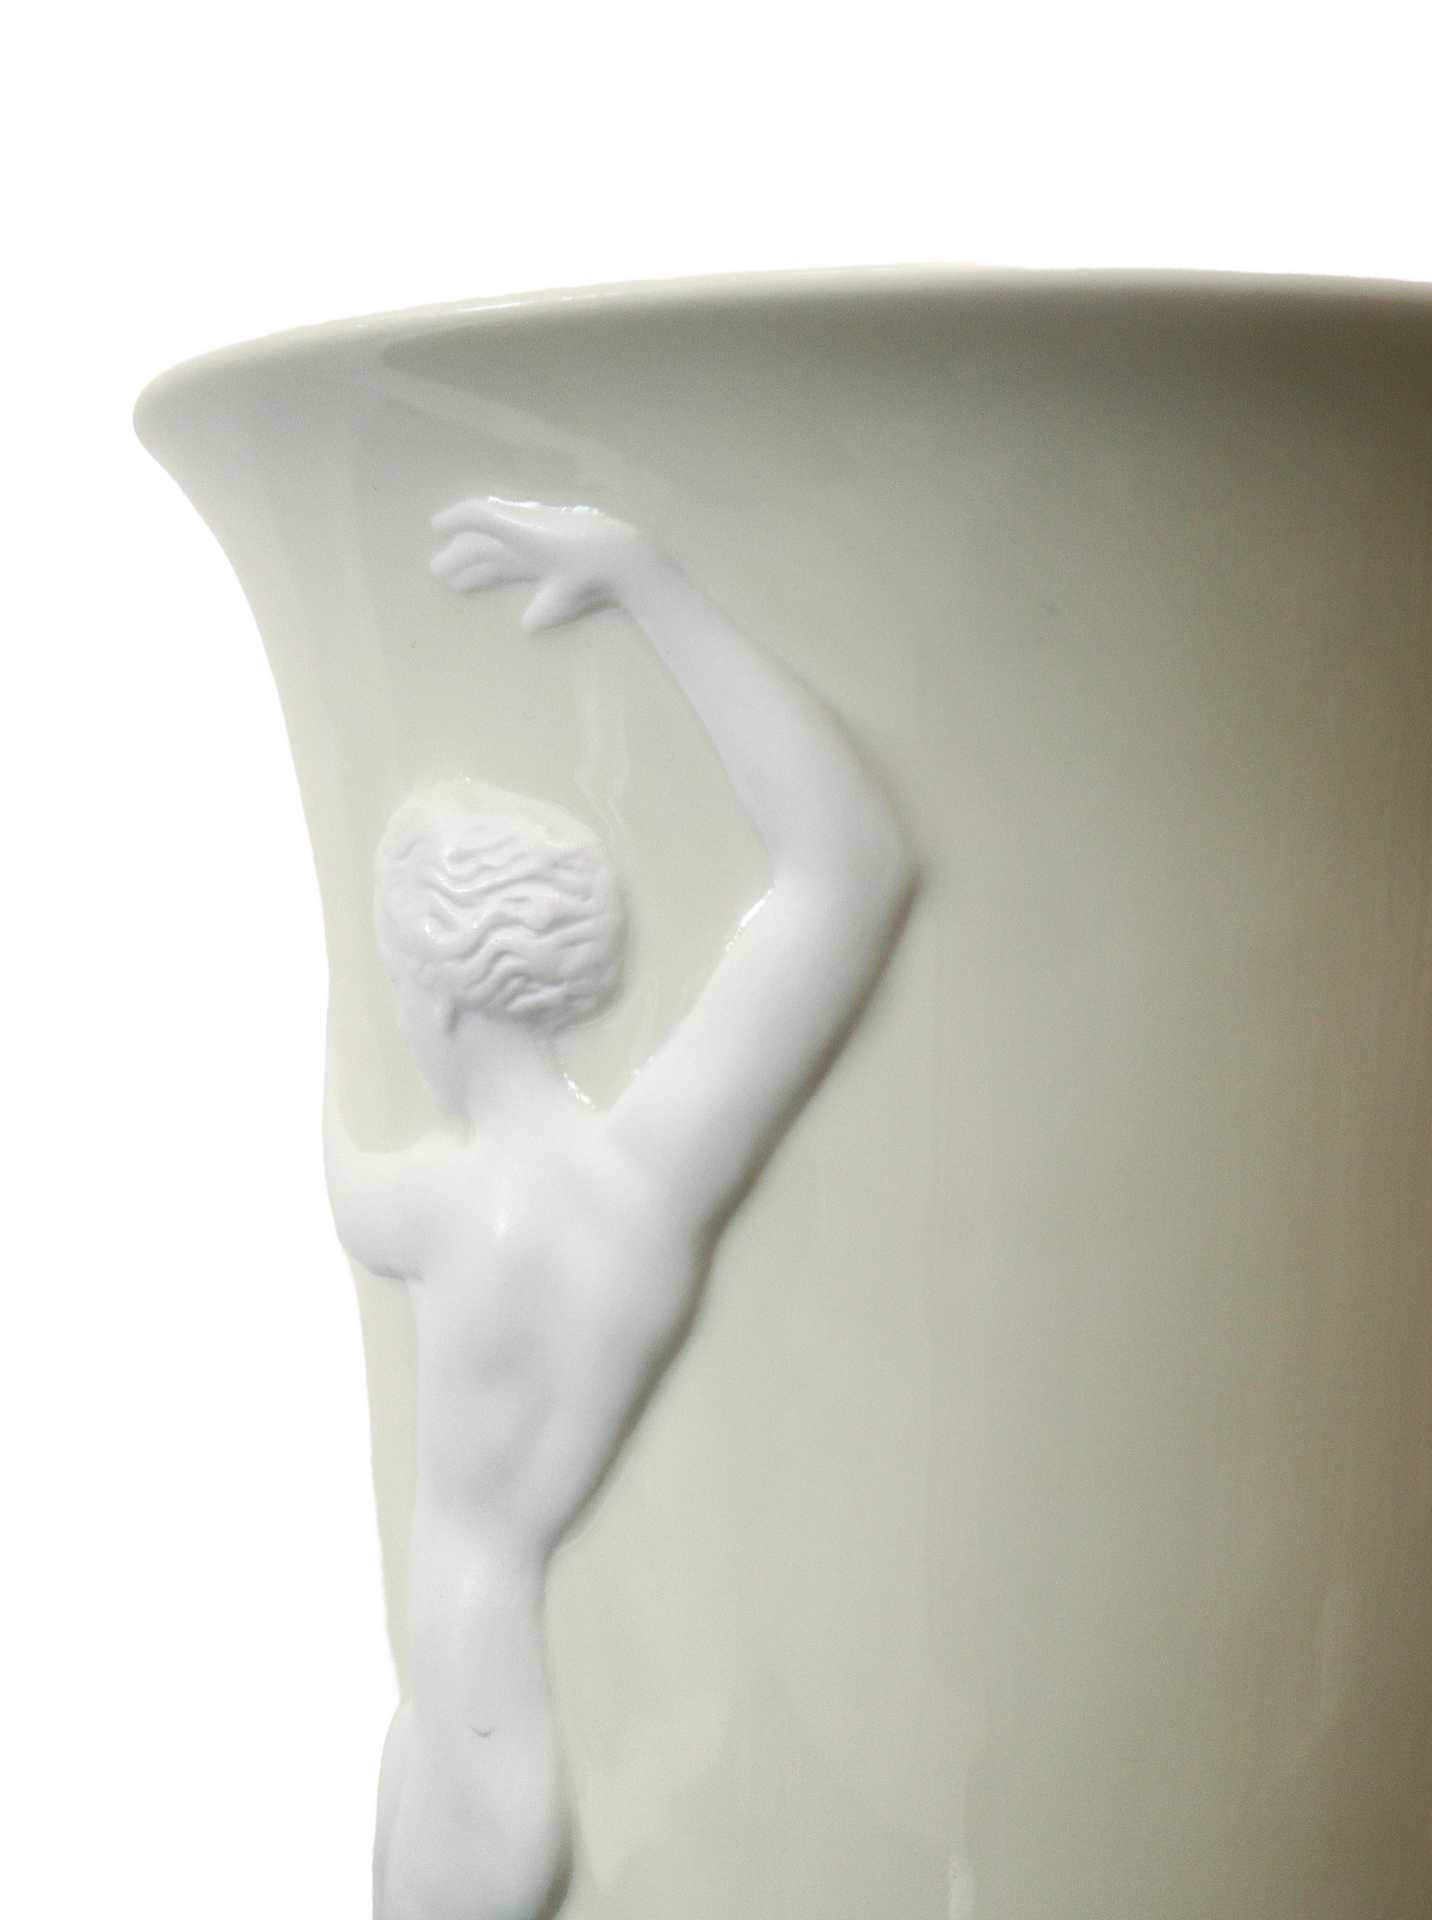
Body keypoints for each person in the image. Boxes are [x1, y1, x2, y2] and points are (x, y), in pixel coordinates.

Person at [325, 495, 916, 1920]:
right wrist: (648, 585)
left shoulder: (430, 1198)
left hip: (472, 1709)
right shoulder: (643, 1185)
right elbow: (850, 871)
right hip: (497, 1707)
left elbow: (345, 1170)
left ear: (429, 991)